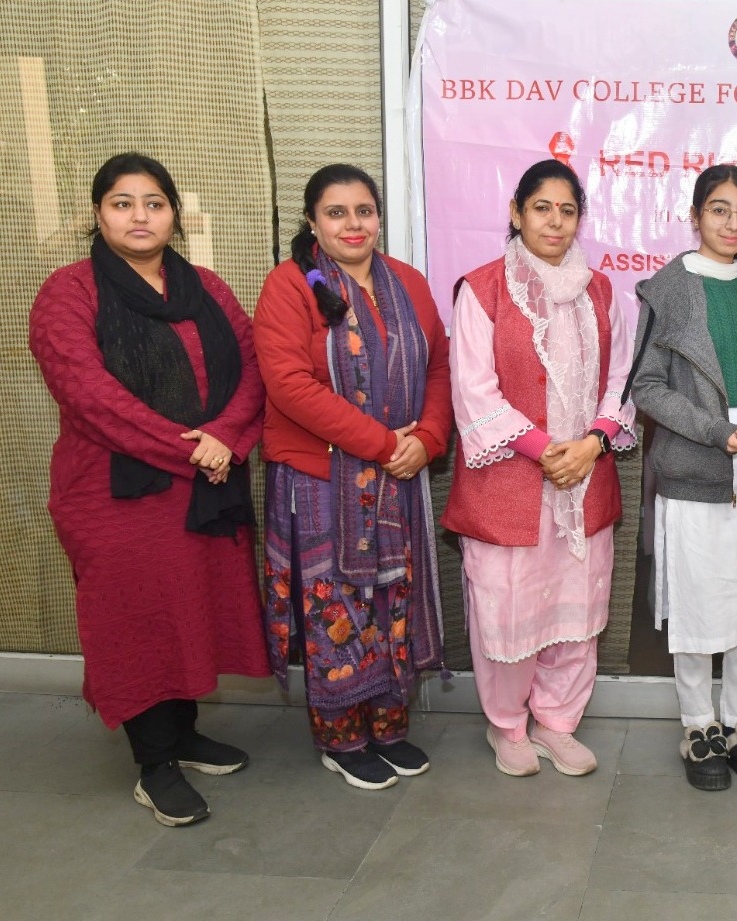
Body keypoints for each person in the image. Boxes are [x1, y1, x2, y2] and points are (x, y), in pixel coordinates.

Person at [29, 153, 268, 826]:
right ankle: (154, 763)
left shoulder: (207, 287)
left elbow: (253, 369)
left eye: (154, 203)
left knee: (190, 608)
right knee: (136, 620)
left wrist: (224, 436)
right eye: (123, 203)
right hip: (115, 492)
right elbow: (90, 397)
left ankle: (183, 734)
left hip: (202, 484)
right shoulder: (69, 293)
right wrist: (196, 449)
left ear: (174, 215)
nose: (140, 216)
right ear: (97, 213)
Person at [255, 164, 452, 790]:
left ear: (379, 218)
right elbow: (290, 386)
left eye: (364, 211)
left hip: (398, 476)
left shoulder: (408, 282)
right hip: (321, 481)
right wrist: (383, 444)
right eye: (336, 213)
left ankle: (388, 727)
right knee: (336, 609)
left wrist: (427, 440)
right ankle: (341, 738)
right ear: (312, 222)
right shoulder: (291, 285)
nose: (352, 224)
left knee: (393, 601)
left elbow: (440, 367)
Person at [442, 159, 636, 777]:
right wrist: (549, 451)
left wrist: (593, 444)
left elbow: (622, 380)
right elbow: (473, 391)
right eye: (542, 208)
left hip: (585, 479)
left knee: (576, 613)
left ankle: (558, 722)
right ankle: (507, 726)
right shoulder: (482, 290)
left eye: (567, 210)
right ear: (516, 213)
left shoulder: (601, 291)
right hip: (509, 482)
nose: (555, 222)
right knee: (508, 611)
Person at [630, 164, 737, 791]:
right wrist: (712, 429)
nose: (733, 223)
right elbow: (646, 387)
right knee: (699, 601)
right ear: (695, 215)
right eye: (720, 209)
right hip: (698, 465)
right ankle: (698, 724)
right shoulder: (668, 288)